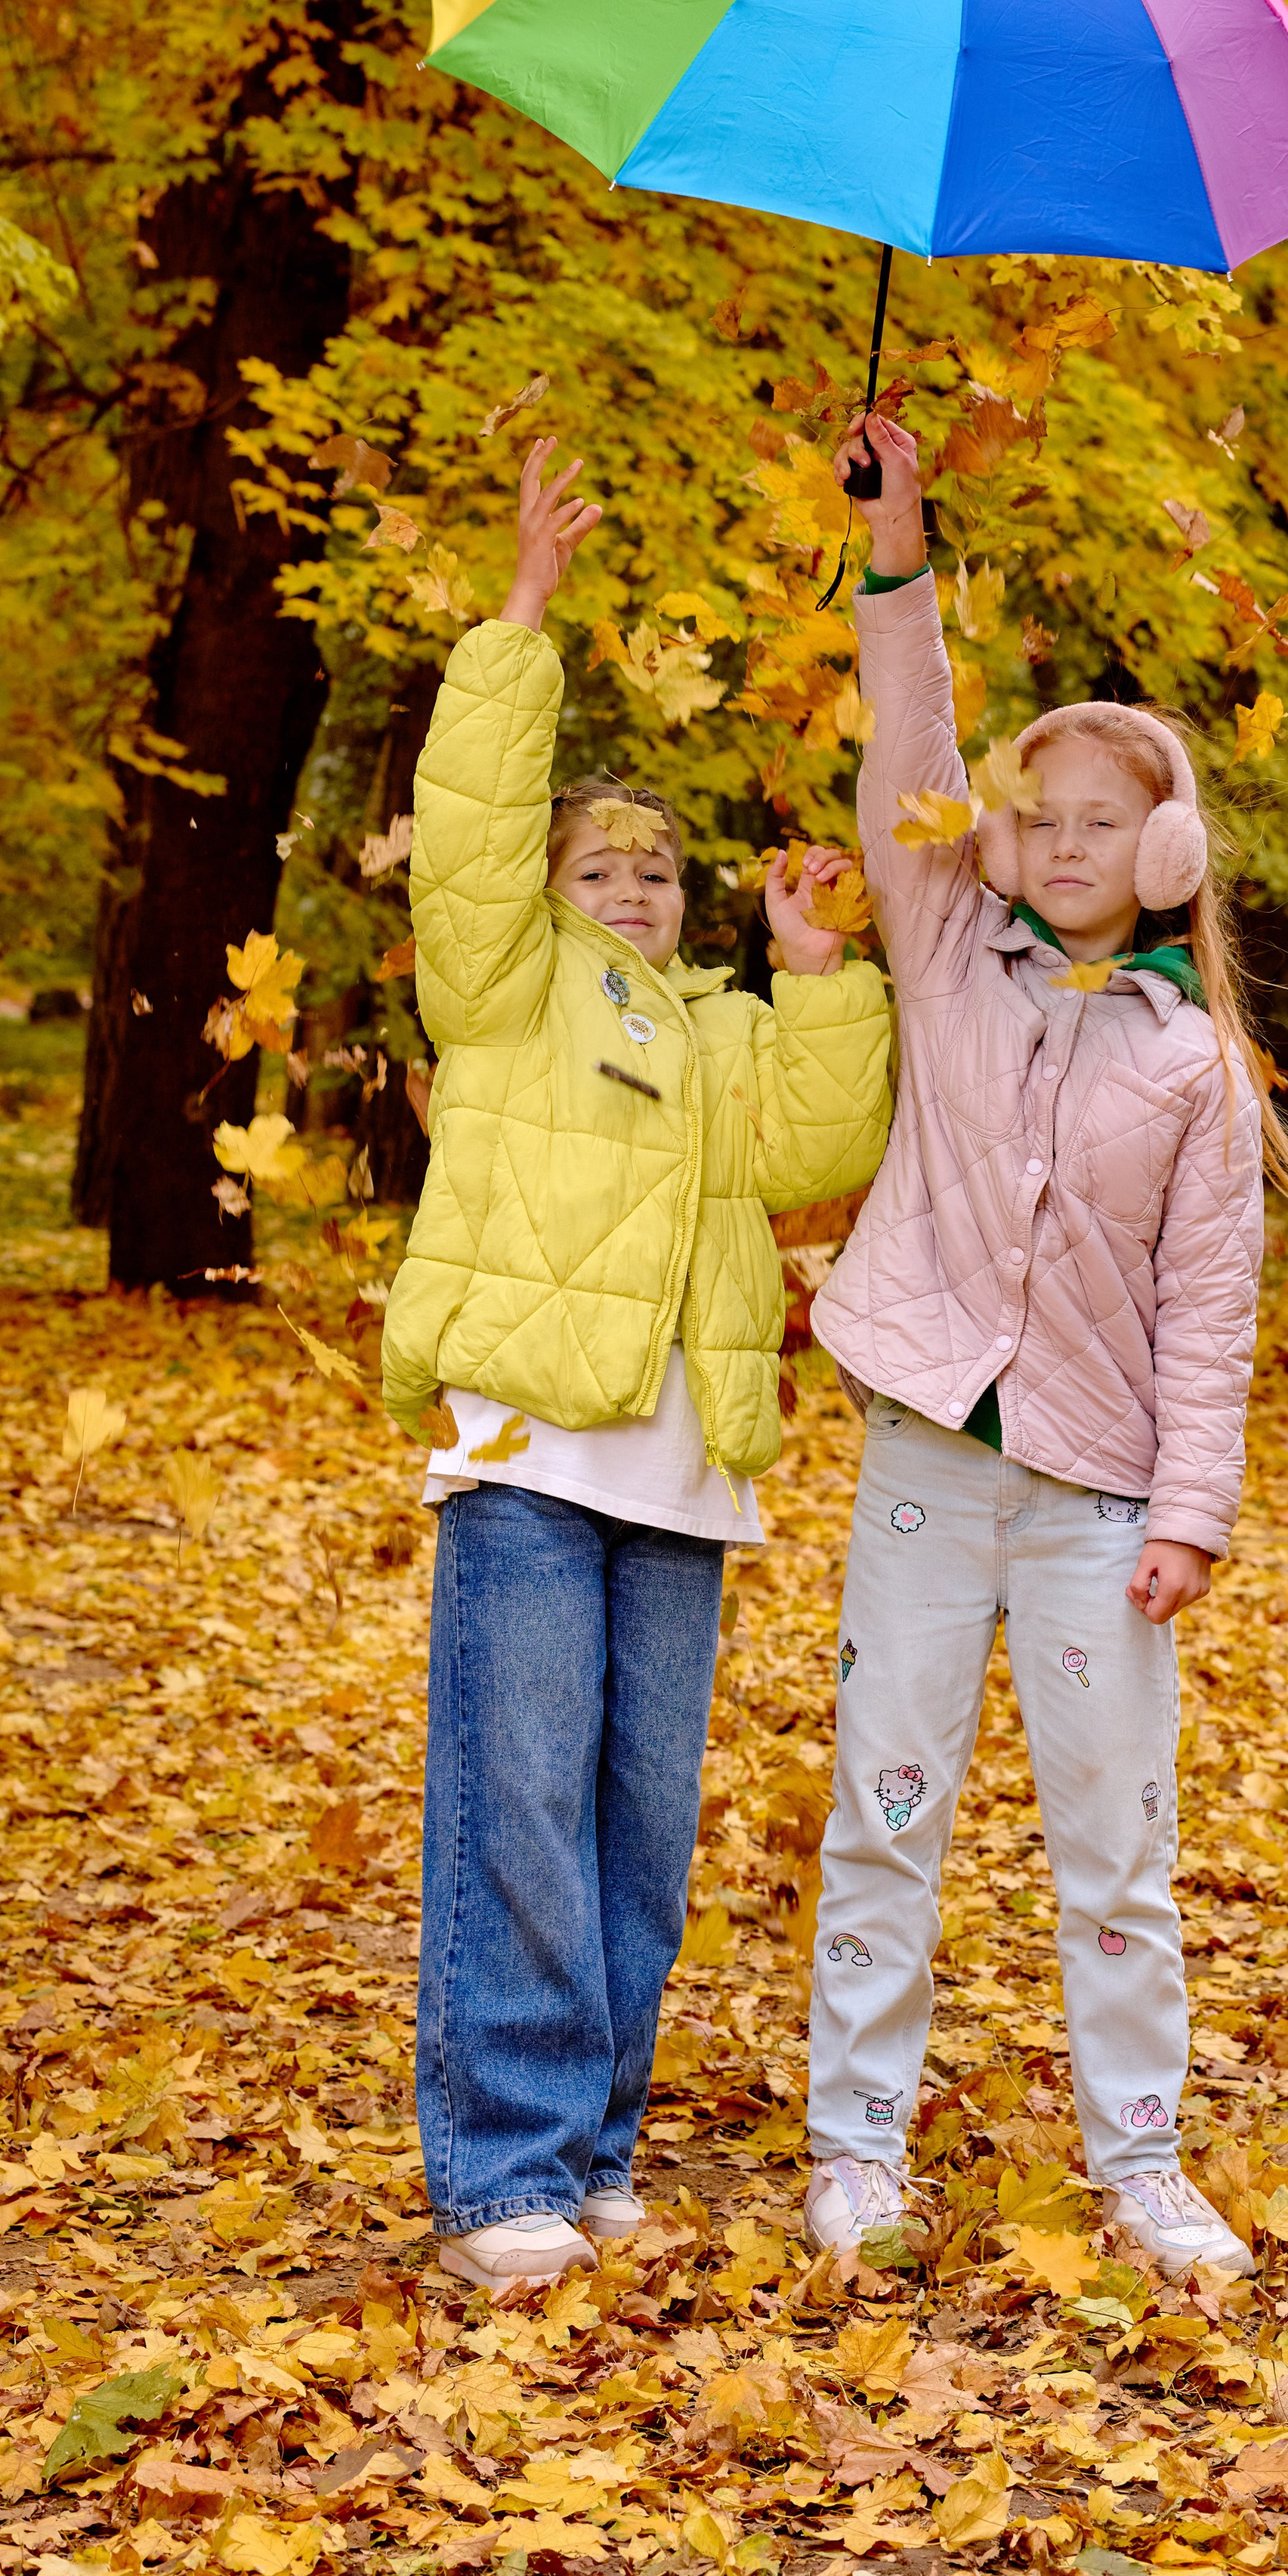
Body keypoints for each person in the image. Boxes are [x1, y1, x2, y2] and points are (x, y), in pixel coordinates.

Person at [802, 410, 1288, 2284]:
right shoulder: (947, 947)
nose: (1054, 843)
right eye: (1033, 818)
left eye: (1095, 821)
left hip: (1096, 1498)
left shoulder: (1194, 1064)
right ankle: (854, 2148)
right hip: (924, 1468)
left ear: (1169, 847)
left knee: (1112, 1849)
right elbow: (910, 753)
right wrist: (897, 561)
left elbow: (1213, 1310)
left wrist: (1187, 1511)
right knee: (885, 1813)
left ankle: (1138, 2161)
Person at [381, 440, 893, 2290]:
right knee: (514, 1798)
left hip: (686, 1476)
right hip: (530, 1452)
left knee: (637, 1825)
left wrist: (819, 963)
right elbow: (464, 839)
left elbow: (820, 1146)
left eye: (660, 868)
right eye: (598, 865)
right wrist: (519, 620)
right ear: (542, 889)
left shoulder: (720, 1031)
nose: (635, 885)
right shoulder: (504, 988)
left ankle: (594, 2144)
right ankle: (502, 2172)